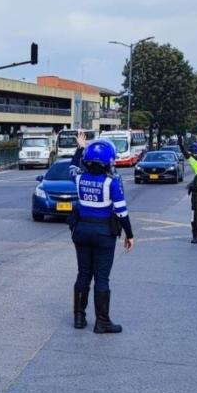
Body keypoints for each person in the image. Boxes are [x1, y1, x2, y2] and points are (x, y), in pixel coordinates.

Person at [68, 133, 134, 333]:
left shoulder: (79, 177)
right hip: (104, 233)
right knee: (102, 278)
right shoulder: (112, 182)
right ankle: (102, 322)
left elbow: (72, 166)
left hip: (81, 231)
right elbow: (121, 211)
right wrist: (129, 235)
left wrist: (80, 147)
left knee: (83, 274)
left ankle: (79, 318)